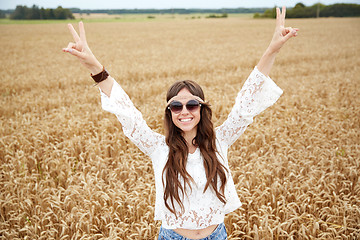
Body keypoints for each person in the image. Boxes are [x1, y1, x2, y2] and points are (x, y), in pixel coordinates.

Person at [63, 6, 298, 240]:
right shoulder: (158, 148)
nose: (184, 111)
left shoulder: (220, 141)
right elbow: (128, 113)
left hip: (216, 235)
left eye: (192, 104)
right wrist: (95, 67)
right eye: (176, 106)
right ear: (169, 112)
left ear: (202, 109)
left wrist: (272, 49)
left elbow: (246, 102)